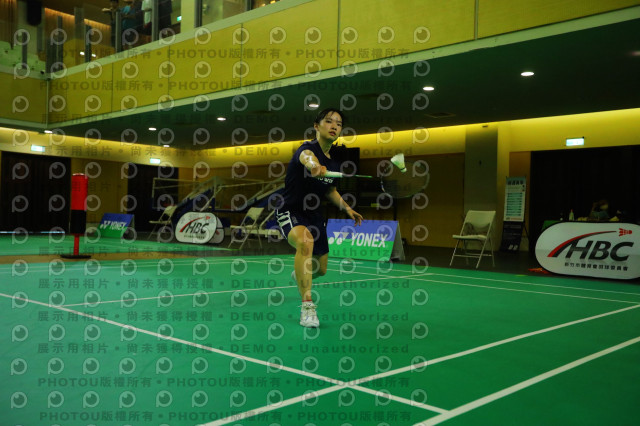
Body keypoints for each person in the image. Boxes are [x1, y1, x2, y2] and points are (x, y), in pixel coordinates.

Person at [275, 108, 363, 328]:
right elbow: (307, 159)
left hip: (314, 215)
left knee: (321, 269)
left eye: (339, 124)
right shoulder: (306, 149)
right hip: (291, 209)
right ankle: (307, 307)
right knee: (305, 242)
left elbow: (329, 190)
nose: (334, 126)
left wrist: (347, 209)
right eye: (329, 121)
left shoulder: (334, 162)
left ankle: (300, 273)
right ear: (316, 126)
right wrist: (314, 166)